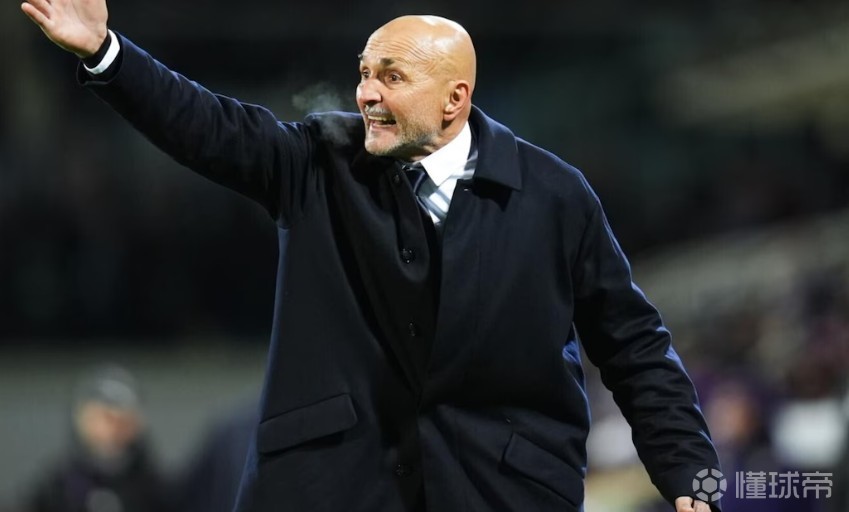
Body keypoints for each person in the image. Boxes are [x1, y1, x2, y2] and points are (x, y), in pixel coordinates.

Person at [20, 2, 722, 511]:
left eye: (391, 76)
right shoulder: (316, 161)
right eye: (363, 73)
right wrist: (105, 52)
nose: (366, 93)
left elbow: (635, 348)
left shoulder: (555, 196)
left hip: (499, 493)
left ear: (454, 98)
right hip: (332, 489)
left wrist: (693, 477)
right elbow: (206, 126)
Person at [18, 365, 175, 512]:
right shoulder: (55, 488)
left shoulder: (155, 489)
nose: (112, 431)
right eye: (104, 418)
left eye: (122, 421)